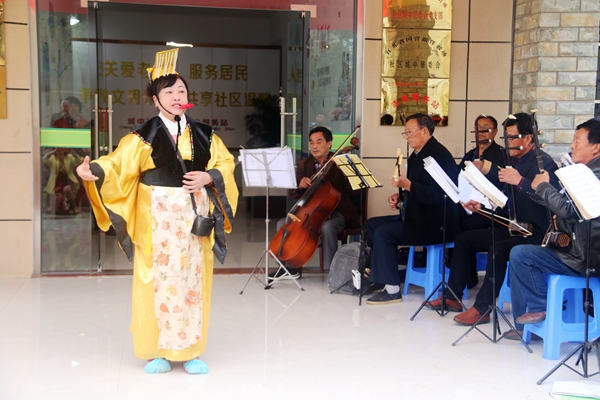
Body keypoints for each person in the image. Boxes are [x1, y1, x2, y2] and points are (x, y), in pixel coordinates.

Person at [76, 49, 238, 374]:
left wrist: (209, 177)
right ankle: (155, 351)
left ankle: (191, 350)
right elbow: (117, 164)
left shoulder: (205, 134)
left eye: (181, 90)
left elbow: (225, 163)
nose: (177, 97)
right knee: (155, 280)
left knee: (193, 279)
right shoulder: (143, 136)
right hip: (157, 219)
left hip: (193, 217)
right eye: (169, 92)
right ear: (155, 99)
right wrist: (92, 170)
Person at [427, 113, 560, 325]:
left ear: (528, 138)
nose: (507, 143)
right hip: (513, 227)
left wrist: (520, 182)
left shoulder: (544, 164)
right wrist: (484, 207)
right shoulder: (515, 161)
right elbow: (509, 202)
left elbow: (549, 202)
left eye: (512, 138)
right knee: (464, 239)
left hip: (535, 233)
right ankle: (452, 297)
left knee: (497, 250)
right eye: (506, 138)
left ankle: (483, 308)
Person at [508, 118, 600, 339]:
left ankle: (541, 308)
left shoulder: (593, 175)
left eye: (577, 141)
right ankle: (527, 322)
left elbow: (569, 210)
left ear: (596, 147)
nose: (572, 146)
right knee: (518, 252)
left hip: (585, 257)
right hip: (575, 248)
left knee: (521, 255)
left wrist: (542, 186)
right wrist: (540, 190)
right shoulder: (585, 170)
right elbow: (567, 207)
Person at [365, 113, 460, 305]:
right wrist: (400, 196)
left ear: (424, 131)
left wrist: (408, 186)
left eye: (410, 132)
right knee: (372, 225)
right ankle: (383, 276)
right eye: (405, 133)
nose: (407, 137)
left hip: (435, 222)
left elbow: (441, 195)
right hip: (417, 216)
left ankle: (392, 290)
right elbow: (416, 188)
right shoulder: (418, 155)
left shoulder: (439, 156)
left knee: (384, 233)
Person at [268, 126, 360, 281]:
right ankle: (288, 268)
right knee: (283, 224)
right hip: (309, 212)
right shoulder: (304, 164)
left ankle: (332, 271)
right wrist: (299, 186)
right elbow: (293, 193)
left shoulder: (339, 162)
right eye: (311, 142)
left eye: (319, 142)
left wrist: (347, 173)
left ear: (329, 144)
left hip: (337, 211)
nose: (314, 146)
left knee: (327, 227)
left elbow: (354, 192)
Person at [456, 114, 507, 289]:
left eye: (486, 129)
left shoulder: (502, 154)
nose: (481, 132)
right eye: (478, 128)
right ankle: (462, 273)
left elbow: (503, 183)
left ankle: (467, 276)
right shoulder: (470, 154)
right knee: (451, 219)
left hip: (490, 210)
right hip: (469, 205)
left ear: (495, 132)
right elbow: (458, 176)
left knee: (465, 227)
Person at [42, 147, 83, 215]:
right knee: (59, 199)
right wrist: (53, 152)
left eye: (61, 149)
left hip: (68, 183)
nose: (60, 151)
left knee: (66, 189)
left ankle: (74, 207)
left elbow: (78, 161)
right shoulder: (52, 158)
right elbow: (43, 159)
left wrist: (71, 151)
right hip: (56, 185)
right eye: (58, 150)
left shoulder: (69, 157)